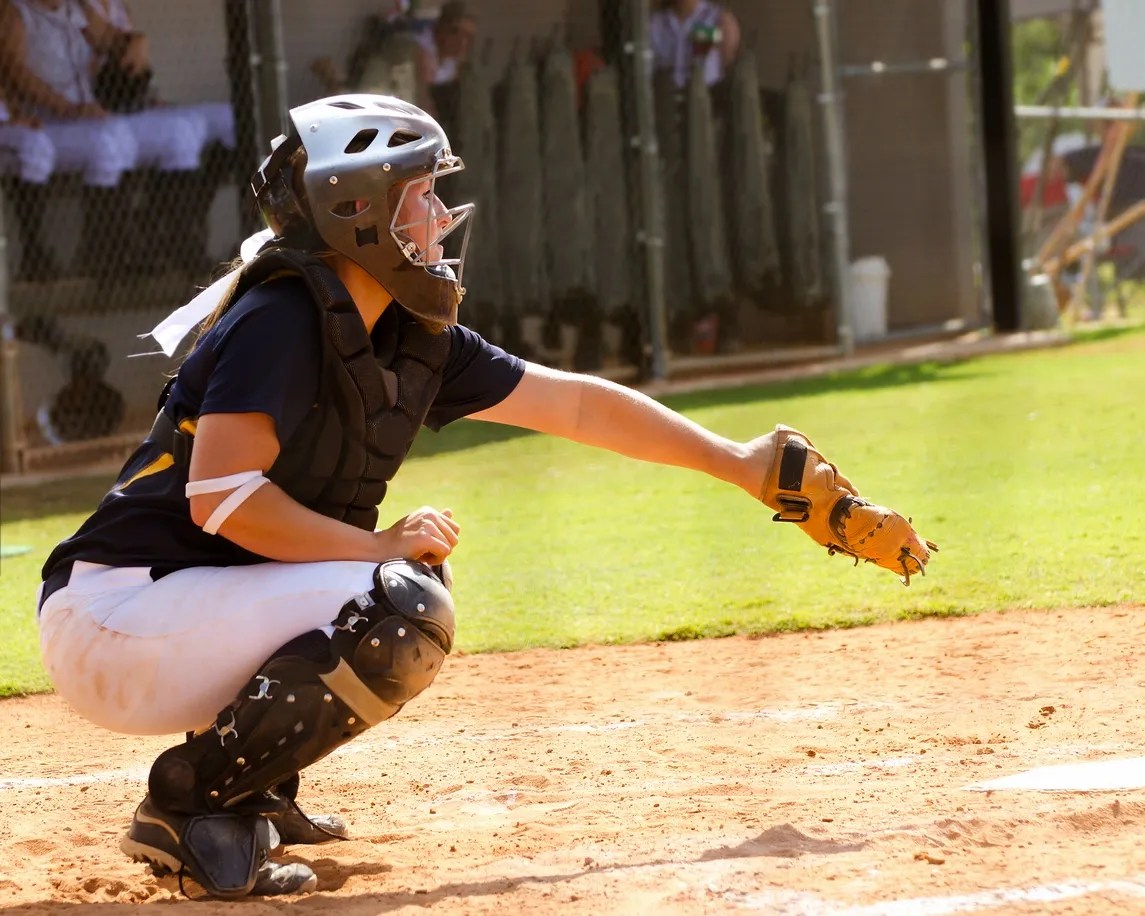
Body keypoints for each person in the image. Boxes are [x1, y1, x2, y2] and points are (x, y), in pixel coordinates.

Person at [35, 94, 934, 899]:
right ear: (356, 213)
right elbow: (221, 502)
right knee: (395, 601)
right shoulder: (282, 319)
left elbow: (573, 402)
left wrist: (737, 461)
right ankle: (189, 806)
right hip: (116, 616)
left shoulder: (397, 332)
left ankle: (255, 791)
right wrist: (376, 545)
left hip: (175, 611)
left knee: (399, 586)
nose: (435, 215)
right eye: (415, 194)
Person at [649, 0, 741, 90]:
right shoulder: (656, 23)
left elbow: (727, 59)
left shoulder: (719, 20)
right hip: (665, 95)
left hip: (706, 94)